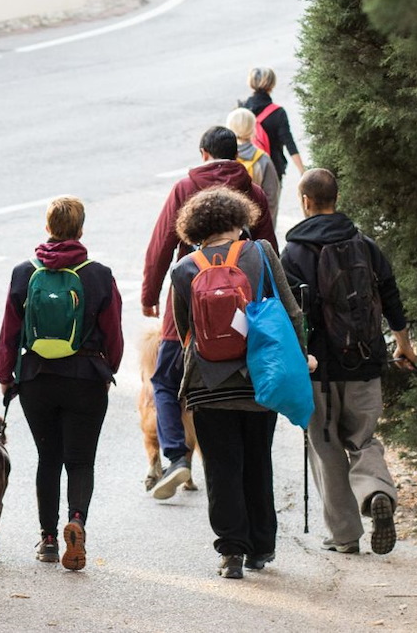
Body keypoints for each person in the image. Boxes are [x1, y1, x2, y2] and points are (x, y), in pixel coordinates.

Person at [167, 187, 306, 579]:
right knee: (257, 461)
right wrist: (301, 357)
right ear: (238, 219)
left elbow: (185, 332)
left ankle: (231, 552)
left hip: (208, 384)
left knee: (221, 468)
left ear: (195, 227)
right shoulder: (259, 253)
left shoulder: (184, 269)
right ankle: (261, 547)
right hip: (259, 378)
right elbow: (291, 312)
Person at [280, 168, 415, 556]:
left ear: (306, 201)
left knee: (324, 446)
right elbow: (390, 296)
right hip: (365, 360)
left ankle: (344, 536)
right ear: (336, 198)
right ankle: (376, 492)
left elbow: (290, 315)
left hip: (317, 368)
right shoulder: (365, 245)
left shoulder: (294, 252)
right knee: (364, 439)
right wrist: (403, 344)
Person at [141, 126, 276, 499]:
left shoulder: (185, 189)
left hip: (188, 295)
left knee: (166, 381)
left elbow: (160, 246)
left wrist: (150, 294)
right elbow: (269, 250)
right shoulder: (253, 191)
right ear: (237, 156)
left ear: (203, 154)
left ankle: (176, 457)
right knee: (241, 368)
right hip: (243, 304)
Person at [0, 196, 125, 571]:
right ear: (80, 230)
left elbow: (10, 331)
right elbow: (112, 332)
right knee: (81, 461)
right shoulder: (98, 274)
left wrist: (6, 375)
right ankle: (78, 521)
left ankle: (49, 539)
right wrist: (108, 369)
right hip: (85, 378)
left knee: (48, 459)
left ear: (47, 228)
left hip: (37, 380)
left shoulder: (25, 272)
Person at [240, 68, 305, 186]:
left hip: (244, 170)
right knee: (270, 204)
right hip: (272, 170)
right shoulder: (278, 113)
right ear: (272, 84)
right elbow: (289, 143)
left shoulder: (241, 110)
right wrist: (302, 170)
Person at [226, 107, 282, 220]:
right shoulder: (263, 159)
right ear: (253, 129)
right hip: (256, 223)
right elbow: (272, 198)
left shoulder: (225, 157)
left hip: (229, 225)